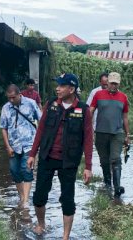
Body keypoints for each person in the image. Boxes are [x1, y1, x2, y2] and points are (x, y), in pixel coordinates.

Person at [27, 73, 93, 240]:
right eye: (57, 85)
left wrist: (88, 167)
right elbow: (40, 130)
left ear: (71, 89)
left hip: (69, 160)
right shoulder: (50, 104)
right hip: (47, 156)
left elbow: (88, 139)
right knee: (39, 196)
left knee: (67, 199)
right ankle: (41, 224)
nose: (57, 88)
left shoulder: (84, 110)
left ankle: (65, 236)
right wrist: (32, 154)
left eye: (61, 85)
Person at [0, 84, 42, 206]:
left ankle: (26, 201)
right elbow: (3, 128)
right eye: (9, 98)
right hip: (13, 145)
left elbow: (41, 120)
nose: (11, 100)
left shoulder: (31, 103)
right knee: (14, 171)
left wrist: (40, 140)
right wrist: (7, 146)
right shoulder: (6, 108)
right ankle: (21, 196)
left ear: (19, 94)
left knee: (26, 170)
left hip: (30, 144)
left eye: (13, 97)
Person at [90, 72, 130, 197]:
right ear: (107, 83)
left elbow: (125, 117)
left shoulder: (123, 97)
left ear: (119, 84)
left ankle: (117, 187)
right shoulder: (98, 95)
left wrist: (128, 134)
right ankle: (108, 184)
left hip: (117, 133)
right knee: (104, 160)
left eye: (116, 84)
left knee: (115, 159)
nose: (113, 86)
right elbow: (90, 111)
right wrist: (90, 129)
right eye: (111, 83)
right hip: (101, 133)